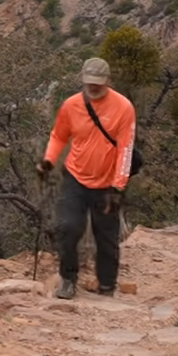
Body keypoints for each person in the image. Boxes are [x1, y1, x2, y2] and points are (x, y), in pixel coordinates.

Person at [37, 57, 135, 299]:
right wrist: (49, 159)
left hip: (108, 184)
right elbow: (59, 136)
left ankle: (107, 286)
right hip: (75, 178)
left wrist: (118, 186)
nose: (93, 87)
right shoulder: (71, 105)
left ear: (108, 81)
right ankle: (68, 280)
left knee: (107, 238)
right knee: (68, 228)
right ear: (82, 80)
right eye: (89, 82)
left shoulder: (123, 108)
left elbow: (126, 148)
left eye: (98, 83)